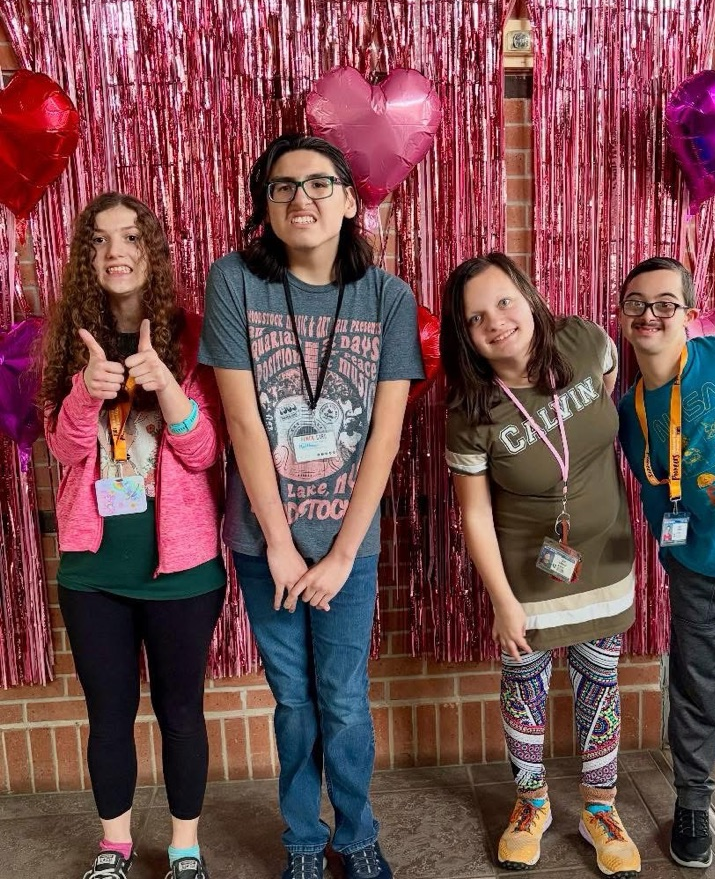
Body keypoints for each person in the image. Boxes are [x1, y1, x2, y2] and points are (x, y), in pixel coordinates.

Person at [199, 133, 423, 879]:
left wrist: (340, 552)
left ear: (351, 199)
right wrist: (284, 544)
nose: (302, 199)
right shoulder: (234, 281)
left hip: (347, 549)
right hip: (267, 546)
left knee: (345, 699)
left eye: (321, 184)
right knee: (294, 699)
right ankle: (302, 839)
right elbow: (241, 424)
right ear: (264, 206)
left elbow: (384, 439)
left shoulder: (388, 297)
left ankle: (356, 832)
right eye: (283, 186)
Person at [40, 192, 226, 879]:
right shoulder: (68, 341)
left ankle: (183, 847)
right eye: (99, 240)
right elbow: (63, 449)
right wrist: (88, 388)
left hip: (182, 570)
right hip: (94, 572)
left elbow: (206, 451)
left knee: (181, 710)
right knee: (108, 713)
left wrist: (168, 387)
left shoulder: (197, 333)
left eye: (130, 238)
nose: (115, 251)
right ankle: (114, 847)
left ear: (152, 252)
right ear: (86, 258)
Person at [441, 253, 640, 877]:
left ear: (528, 297)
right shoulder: (471, 414)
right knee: (524, 689)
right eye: (476, 318)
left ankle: (600, 808)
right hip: (523, 579)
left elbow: (604, 401)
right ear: (466, 337)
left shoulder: (583, 341)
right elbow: (474, 516)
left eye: (504, 302)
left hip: (603, 563)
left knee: (599, 687)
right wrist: (502, 601)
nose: (496, 322)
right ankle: (532, 804)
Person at [618, 256, 715, 869]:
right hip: (699, 566)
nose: (650, 314)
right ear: (622, 318)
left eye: (666, 304)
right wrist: (671, 550)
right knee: (697, 690)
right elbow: (651, 484)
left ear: (690, 316)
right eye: (636, 303)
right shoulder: (630, 410)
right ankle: (693, 804)